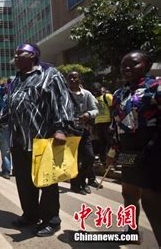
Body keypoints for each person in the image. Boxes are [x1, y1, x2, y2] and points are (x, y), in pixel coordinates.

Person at [6, 43, 75, 237]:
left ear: (33, 55)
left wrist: (61, 128)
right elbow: (11, 106)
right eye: (15, 54)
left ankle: (51, 220)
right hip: (18, 140)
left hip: (42, 139)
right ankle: (30, 215)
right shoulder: (16, 80)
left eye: (21, 53)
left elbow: (62, 101)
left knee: (46, 183)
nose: (16, 57)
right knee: (24, 181)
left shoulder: (50, 74)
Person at [107, 51, 160, 245]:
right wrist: (113, 151)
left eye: (133, 64)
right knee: (128, 193)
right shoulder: (119, 93)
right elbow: (115, 125)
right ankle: (131, 231)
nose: (126, 68)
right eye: (123, 65)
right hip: (127, 150)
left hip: (152, 149)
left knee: (151, 200)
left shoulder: (156, 87)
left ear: (146, 65)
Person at [66, 71, 99, 195]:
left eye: (75, 77)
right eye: (70, 78)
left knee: (89, 157)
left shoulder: (87, 94)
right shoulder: (62, 94)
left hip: (83, 130)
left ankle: (83, 180)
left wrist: (88, 114)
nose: (73, 80)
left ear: (80, 79)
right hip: (69, 132)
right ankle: (76, 185)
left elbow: (95, 109)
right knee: (73, 160)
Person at [0, 82, 12, 179]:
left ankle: (6, 170)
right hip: (17, 127)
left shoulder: (7, 98)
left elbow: (6, 114)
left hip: (6, 126)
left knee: (5, 150)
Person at [92, 82, 113, 166]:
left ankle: (112, 160)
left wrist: (112, 123)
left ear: (100, 88)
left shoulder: (107, 96)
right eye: (93, 90)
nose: (95, 92)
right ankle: (103, 161)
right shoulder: (94, 99)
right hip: (98, 123)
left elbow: (112, 109)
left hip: (107, 122)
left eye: (96, 90)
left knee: (110, 142)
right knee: (101, 143)